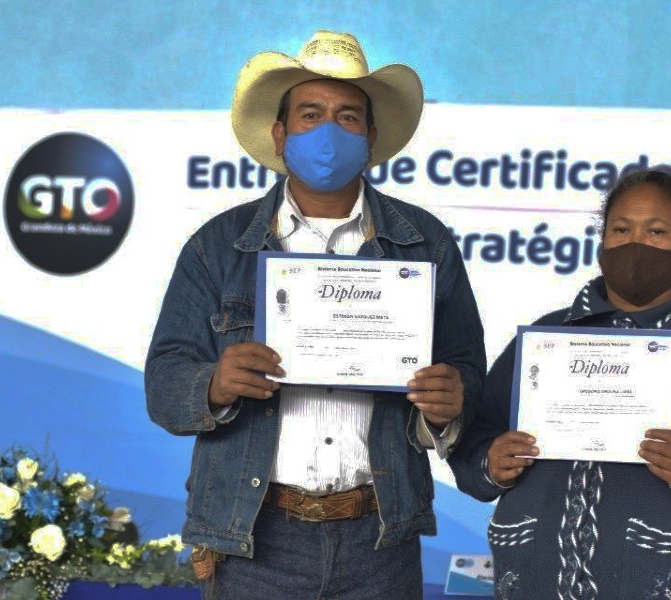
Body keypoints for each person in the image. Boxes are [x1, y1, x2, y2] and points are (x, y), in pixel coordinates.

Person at [145, 31, 486, 600]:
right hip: (254, 538)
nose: (329, 131)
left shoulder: (425, 243)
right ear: (280, 135)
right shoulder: (216, 246)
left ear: (370, 137)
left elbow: (467, 373)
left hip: (381, 538)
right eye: (310, 114)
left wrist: (450, 403)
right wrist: (214, 385)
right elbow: (163, 384)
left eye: (347, 117)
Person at [448, 169, 671, 600]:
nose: (635, 245)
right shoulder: (548, 337)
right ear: (602, 241)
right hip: (535, 581)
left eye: (656, 231)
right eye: (621, 230)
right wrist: (491, 462)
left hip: (670, 577)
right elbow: (475, 436)